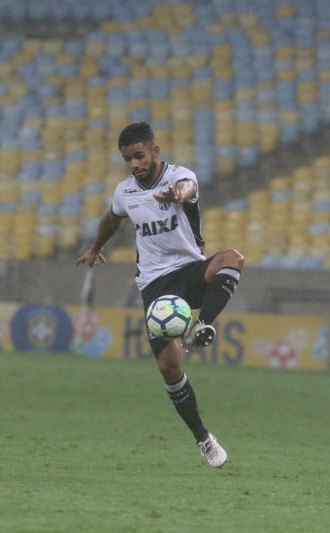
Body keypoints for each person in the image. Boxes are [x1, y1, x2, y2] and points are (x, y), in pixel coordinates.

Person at [76, 121, 244, 468]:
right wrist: (95, 248)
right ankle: (203, 438)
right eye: (127, 159)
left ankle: (202, 326)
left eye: (139, 156)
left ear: (155, 151)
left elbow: (187, 188)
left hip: (190, 269)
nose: (134, 164)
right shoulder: (125, 192)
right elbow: (112, 217)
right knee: (170, 369)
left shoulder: (182, 176)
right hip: (155, 285)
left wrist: (177, 195)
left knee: (232, 258)